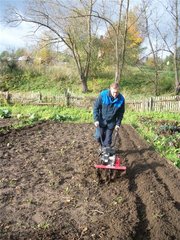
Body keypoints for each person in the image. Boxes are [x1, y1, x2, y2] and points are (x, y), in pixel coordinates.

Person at [93, 82, 125, 148]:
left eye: (117, 92)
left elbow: (120, 113)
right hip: (101, 120)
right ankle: (102, 147)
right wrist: (96, 119)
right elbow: (96, 107)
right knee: (98, 137)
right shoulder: (103, 95)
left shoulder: (121, 99)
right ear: (110, 89)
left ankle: (106, 151)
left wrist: (118, 124)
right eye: (114, 92)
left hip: (111, 122)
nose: (115, 94)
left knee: (108, 142)